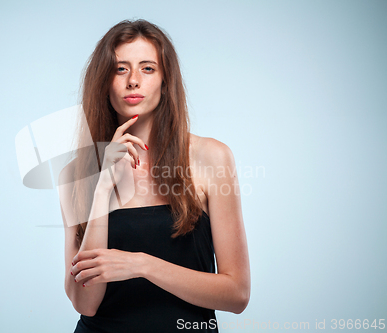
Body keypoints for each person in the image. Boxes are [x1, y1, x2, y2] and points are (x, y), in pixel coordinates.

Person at [59, 19, 250, 333]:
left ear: (165, 80)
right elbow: (85, 303)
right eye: (120, 69)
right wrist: (102, 188)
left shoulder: (211, 157)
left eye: (147, 68)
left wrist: (141, 265)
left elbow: (237, 294)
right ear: (104, 82)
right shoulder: (76, 174)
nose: (133, 80)